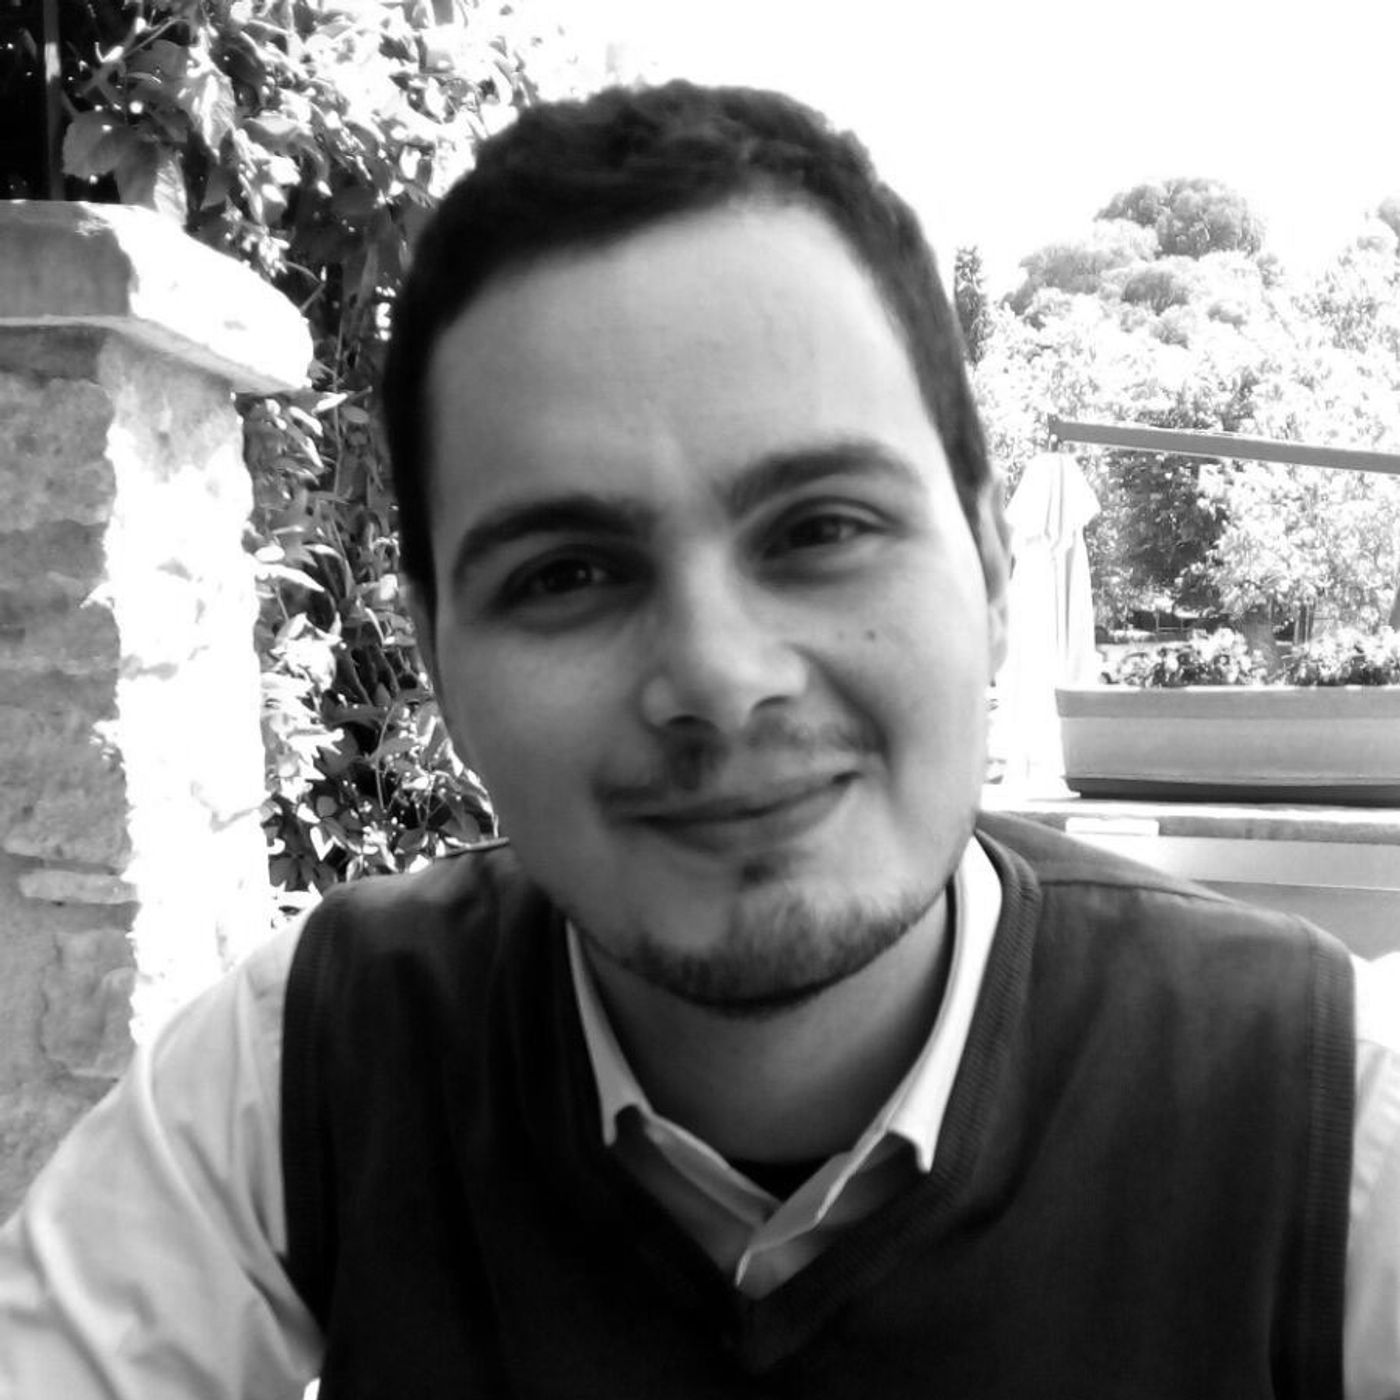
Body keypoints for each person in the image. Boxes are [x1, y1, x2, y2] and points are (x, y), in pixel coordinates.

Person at [1, 79, 1397, 1398]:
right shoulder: (309, 1064)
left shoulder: (1331, 1117)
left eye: (822, 528)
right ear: (436, 659)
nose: (721, 682)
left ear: (988, 563)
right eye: (565, 573)